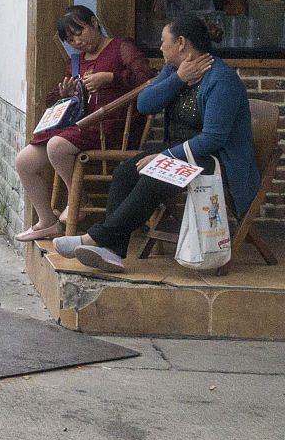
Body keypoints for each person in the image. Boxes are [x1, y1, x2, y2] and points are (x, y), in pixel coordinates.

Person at [53, 14, 258, 273]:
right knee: (125, 173)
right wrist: (178, 79)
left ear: (181, 43)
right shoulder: (174, 70)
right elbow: (144, 104)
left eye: (163, 41)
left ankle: (96, 239)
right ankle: (112, 251)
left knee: (154, 176)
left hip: (217, 162)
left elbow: (212, 139)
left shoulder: (221, 79)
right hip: (184, 153)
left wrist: (166, 157)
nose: (160, 47)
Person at [14, 6, 154, 241]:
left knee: (57, 146)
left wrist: (111, 78)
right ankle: (47, 222)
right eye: (71, 40)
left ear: (94, 22)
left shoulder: (121, 47)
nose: (77, 42)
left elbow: (147, 79)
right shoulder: (76, 62)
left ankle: (79, 200)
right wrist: (65, 93)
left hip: (116, 126)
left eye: (80, 32)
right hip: (83, 126)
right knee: (24, 161)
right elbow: (62, 100)